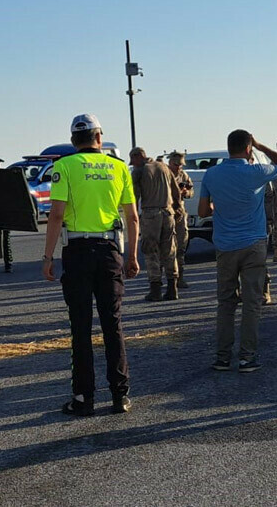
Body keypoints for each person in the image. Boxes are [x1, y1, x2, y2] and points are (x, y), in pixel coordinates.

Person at [41, 114, 140, 416]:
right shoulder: (119, 167)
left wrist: (48, 257)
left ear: (73, 141)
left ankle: (84, 398)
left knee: (81, 326)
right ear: (100, 137)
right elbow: (132, 216)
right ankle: (120, 395)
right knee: (113, 323)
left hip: (78, 250)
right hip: (110, 250)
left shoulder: (64, 167)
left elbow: (56, 214)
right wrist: (133, 256)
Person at [199, 130, 277, 372]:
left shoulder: (212, 174)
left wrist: (220, 206)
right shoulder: (257, 172)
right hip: (253, 244)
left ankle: (222, 356)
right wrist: (261, 145)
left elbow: (202, 211)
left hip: (225, 244)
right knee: (252, 303)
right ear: (248, 148)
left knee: (226, 303)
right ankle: (247, 356)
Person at [130, 147, 181, 301]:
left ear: (139, 156)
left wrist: (133, 216)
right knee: (169, 250)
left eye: (133, 160)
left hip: (150, 214)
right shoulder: (164, 167)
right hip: (168, 212)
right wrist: (177, 208)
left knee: (150, 251)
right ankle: (172, 288)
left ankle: (155, 288)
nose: (132, 164)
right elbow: (176, 190)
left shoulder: (139, 171)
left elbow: (134, 196)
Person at [168, 151, 194, 288]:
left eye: (181, 165)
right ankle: (167, 278)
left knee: (181, 246)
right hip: (167, 212)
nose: (178, 167)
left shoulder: (183, 175)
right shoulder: (165, 174)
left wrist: (186, 192)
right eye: (175, 164)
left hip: (180, 212)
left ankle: (180, 277)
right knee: (166, 248)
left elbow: (191, 191)